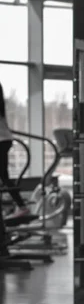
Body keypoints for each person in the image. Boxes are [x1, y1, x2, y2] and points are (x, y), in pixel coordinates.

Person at [0, 81, 30, 220]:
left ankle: (22, 206)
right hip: (5, 140)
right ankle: (20, 206)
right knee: (4, 177)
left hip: (2, 141)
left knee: (4, 177)